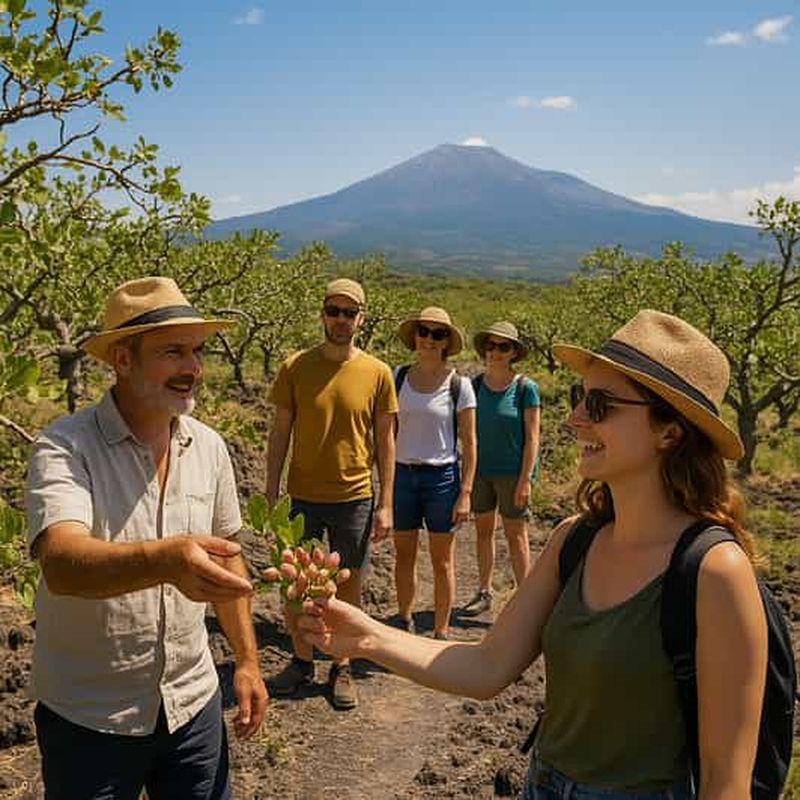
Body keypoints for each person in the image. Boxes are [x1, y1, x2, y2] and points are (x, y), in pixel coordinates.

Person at [298, 309, 768, 800]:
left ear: (669, 432)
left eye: (600, 404)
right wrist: (368, 636)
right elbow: (488, 665)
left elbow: (725, 784)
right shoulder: (574, 541)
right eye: (579, 396)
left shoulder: (714, 572)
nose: (575, 418)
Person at [25, 277, 268, 800]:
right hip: (91, 717)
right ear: (122, 359)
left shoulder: (209, 448)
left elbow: (228, 560)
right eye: (173, 351)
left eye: (197, 351)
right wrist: (165, 560)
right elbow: (62, 563)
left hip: (193, 703)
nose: (193, 368)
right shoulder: (65, 447)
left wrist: (248, 661)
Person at [265, 277, 397, 710]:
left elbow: (385, 441)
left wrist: (386, 502)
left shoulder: (377, 372)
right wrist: (270, 490)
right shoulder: (295, 367)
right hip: (302, 495)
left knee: (349, 587)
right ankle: (302, 661)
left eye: (349, 312)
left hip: (354, 496)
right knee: (296, 586)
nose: (340, 320)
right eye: (333, 311)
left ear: (361, 318)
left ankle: (342, 666)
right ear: (322, 314)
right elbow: (280, 431)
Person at [391, 307, 476, 640]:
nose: (429, 339)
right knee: (404, 555)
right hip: (402, 475)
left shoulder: (459, 386)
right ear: (415, 336)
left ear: (446, 342)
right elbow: (387, 432)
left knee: (442, 561)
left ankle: (441, 630)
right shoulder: (398, 377)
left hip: (442, 480)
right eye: (423, 331)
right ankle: (403, 619)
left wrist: (465, 492)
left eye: (437, 334)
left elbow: (470, 443)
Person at [460, 321, 541, 617]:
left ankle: (525, 600)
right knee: (483, 532)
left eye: (503, 347)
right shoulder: (474, 386)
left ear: (513, 352)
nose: (495, 352)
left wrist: (526, 479)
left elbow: (533, 437)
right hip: (480, 472)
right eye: (491, 346)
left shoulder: (525, 388)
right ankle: (484, 592)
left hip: (512, 474)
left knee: (515, 534)